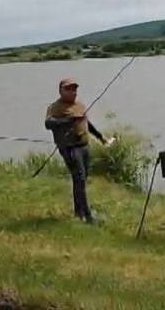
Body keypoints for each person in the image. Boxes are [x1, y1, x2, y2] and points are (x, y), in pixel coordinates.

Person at [44, 78, 113, 223]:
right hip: (69, 148)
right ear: (61, 91)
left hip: (83, 146)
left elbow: (86, 123)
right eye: (68, 89)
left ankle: (78, 211)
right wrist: (68, 121)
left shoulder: (79, 106)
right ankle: (87, 215)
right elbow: (48, 123)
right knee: (80, 178)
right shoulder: (55, 107)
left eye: (74, 89)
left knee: (81, 179)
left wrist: (101, 138)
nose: (73, 92)